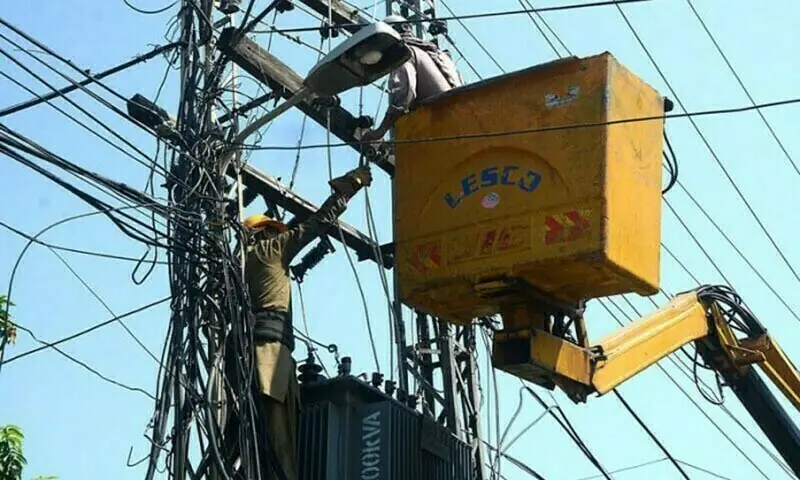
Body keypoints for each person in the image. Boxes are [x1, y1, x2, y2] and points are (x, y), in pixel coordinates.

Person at [241, 165, 372, 479]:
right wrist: (346, 190)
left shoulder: (239, 265)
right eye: (275, 230)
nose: (280, 235)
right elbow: (316, 225)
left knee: (245, 439)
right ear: (263, 234)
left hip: (247, 358)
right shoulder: (269, 251)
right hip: (269, 356)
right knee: (280, 441)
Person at [360, 14, 464, 143]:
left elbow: (404, 94)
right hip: (462, 123)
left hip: (439, 122)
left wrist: (380, 131)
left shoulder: (405, 53)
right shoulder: (442, 56)